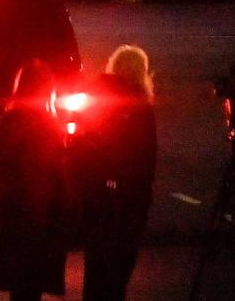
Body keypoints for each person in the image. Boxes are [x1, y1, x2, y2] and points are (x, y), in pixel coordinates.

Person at [70, 45, 157, 301]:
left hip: (96, 193)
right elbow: (146, 155)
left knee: (97, 263)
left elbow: (78, 139)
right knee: (120, 265)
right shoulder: (139, 104)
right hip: (130, 196)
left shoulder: (94, 96)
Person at [0, 60, 69, 301]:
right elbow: (47, 169)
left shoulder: (9, 120)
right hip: (39, 213)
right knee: (31, 285)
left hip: (14, 210)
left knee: (20, 287)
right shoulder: (44, 124)